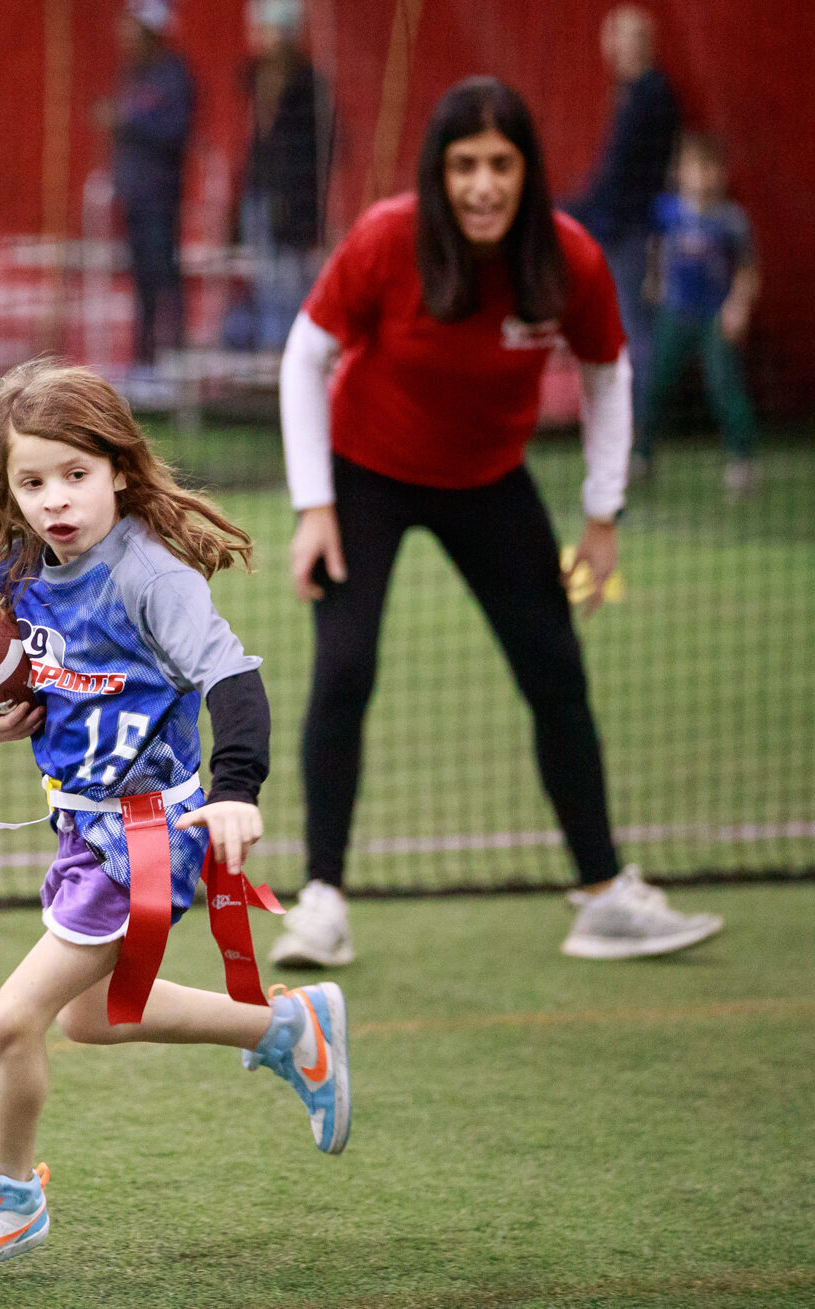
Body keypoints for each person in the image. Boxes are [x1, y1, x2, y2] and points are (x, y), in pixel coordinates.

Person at [0, 360, 351, 1283]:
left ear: (119, 470)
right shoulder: (18, 566)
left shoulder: (147, 575)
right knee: (96, 1017)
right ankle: (289, 1030)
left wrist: (237, 788)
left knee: (13, 1019)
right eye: (32, 481)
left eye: (75, 474)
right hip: (83, 829)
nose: (56, 500)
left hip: (149, 836)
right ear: (7, 490)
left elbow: (233, 678)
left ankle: (5, 1200)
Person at [271, 76, 723, 969]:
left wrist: (602, 516)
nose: (481, 184)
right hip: (367, 472)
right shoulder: (385, 238)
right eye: (464, 164)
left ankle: (603, 897)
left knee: (555, 671)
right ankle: (320, 902)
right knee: (345, 667)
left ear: (527, 171)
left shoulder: (568, 257)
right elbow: (304, 355)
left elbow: (607, 373)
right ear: (439, 172)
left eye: (500, 164)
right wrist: (313, 506)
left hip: (489, 479)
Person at [567, 5, 680, 439]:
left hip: (629, 230)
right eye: (612, 37)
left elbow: (627, 176)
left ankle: (637, 435)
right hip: (616, 224)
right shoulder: (634, 93)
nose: (614, 47)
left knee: (635, 333)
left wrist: (588, 213)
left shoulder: (652, 95)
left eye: (624, 37)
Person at [633, 131, 760, 498]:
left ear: (719, 173)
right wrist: (653, 279)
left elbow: (747, 271)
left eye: (708, 168)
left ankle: (742, 462)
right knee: (654, 383)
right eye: (693, 168)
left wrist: (737, 307)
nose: (701, 177)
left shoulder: (731, 220)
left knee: (724, 387)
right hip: (675, 314)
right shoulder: (666, 212)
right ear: (680, 172)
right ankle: (641, 457)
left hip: (714, 319)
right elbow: (655, 248)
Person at [235, 0, 333, 352]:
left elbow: (324, 147)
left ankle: (290, 352)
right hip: (261, 195)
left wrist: (297, 197)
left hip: (293, 203)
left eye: (263, 29)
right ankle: (269, 354)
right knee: (264, 278)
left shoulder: (308, 86)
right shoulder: (258, 82)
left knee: (291, 282)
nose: (256, 37)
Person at [101, 0, 194, 370]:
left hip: (161, 194)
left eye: (134, 28)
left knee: (163, 272)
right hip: (133, 194)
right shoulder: (131, 75)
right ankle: (145, 357)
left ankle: (175, 356)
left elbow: (176, 131)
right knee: (140, 277)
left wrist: (127, 122)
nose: (125, 35)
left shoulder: (174, 76)